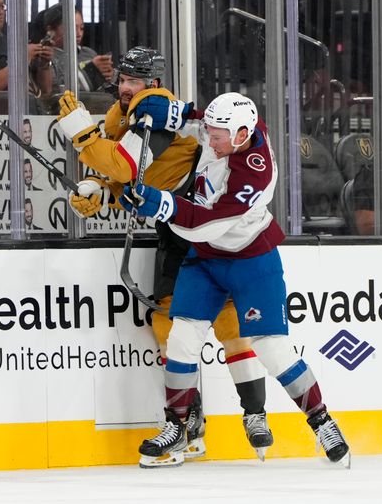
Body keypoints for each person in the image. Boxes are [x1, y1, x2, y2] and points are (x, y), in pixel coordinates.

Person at [58, 47, 273, 466]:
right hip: (176, 228)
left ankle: (254, 414)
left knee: (229, 324)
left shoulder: (153, 111)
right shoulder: (130, 116)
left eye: (134, 81)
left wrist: (81, 133)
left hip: (207, 226)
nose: (124, 88)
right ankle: (188, 425)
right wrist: (102, 194)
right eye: (122, 79)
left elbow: (123, 166)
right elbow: (142, 181)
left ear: (152, 84)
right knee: (168, 324)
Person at [119, 92, 350, 468]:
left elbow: (205, 224)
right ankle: (178, 425)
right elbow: (200, 123)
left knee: (272, 349)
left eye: (217, 136)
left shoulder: (254, 172)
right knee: (181, 337)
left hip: (250, 259)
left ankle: (321, 420)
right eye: (210, 132)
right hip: (208, 259)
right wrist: (177, 113)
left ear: (242, 135)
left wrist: (160, 203)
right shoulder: (231, 128)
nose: (210, 141)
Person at [43, 4, 114, 93]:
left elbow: (104, 92)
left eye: (82, 28)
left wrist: (109, 78)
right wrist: (92, 71)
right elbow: (55, 93)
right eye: (72, 28)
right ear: (50, 30)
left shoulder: (89, 53)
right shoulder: (46, 57)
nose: (79, 33)